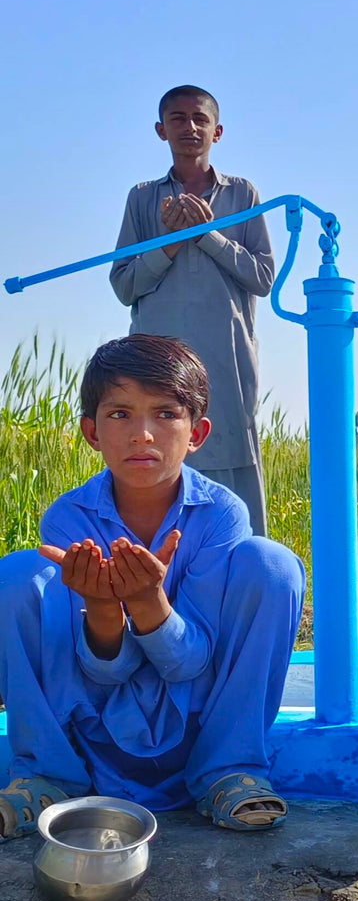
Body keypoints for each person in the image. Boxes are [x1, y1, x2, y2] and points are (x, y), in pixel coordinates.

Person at [0, 335, 303, 839]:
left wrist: (147, 601)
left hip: (196, 714)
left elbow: (189, 662)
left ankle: (228, 769)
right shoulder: (69, 518)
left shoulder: (221, 514)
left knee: (272, 565)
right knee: (15, 575)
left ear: (196, 432)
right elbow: (104, 672)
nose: (142, 434)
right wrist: (103, 608)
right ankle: (47, 776)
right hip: (95, 721)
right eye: (120, 414)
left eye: (165, 414)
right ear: (92, 432)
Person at [110, 85, 273, 535]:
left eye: (200, 119)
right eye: (178, 118)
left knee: (232, 462)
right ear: (161, 130)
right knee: (159, 462)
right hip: (157, 363)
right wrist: (170, 243)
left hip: (226, 361)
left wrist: (207, 235)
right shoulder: (143, 198)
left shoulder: (242, 194)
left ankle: (246, 567)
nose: (190, 127)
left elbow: (263, 277)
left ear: (217, 131)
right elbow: (124, 284)